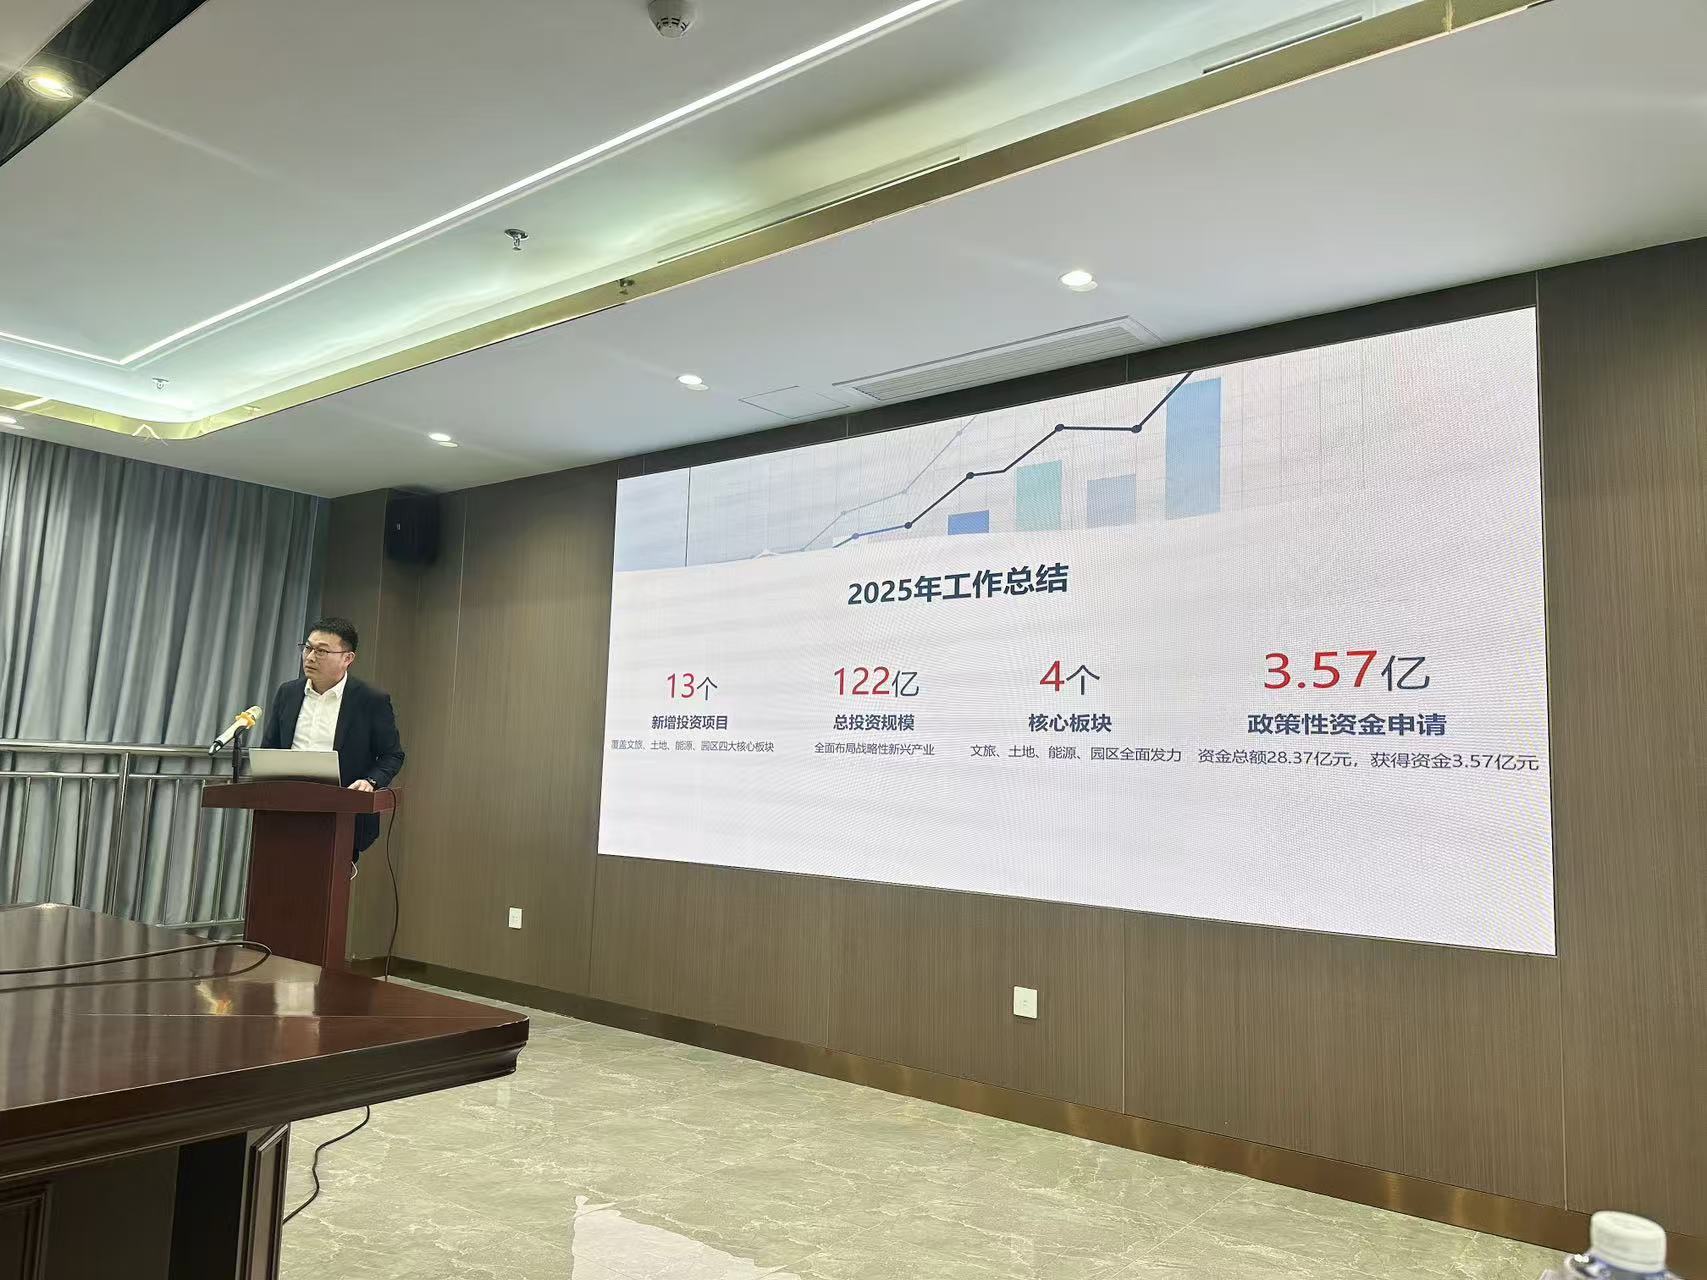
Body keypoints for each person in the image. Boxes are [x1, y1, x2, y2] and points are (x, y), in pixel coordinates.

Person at [259, 616, 404, 862]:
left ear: (347, 658)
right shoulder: (288, 693)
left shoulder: (370, 700)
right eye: (308, 648)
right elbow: (270, 748)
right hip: (285, 813)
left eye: (322, 651)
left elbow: (392, 755)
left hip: (342, 817)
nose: (310, 657)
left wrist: (370, 781)